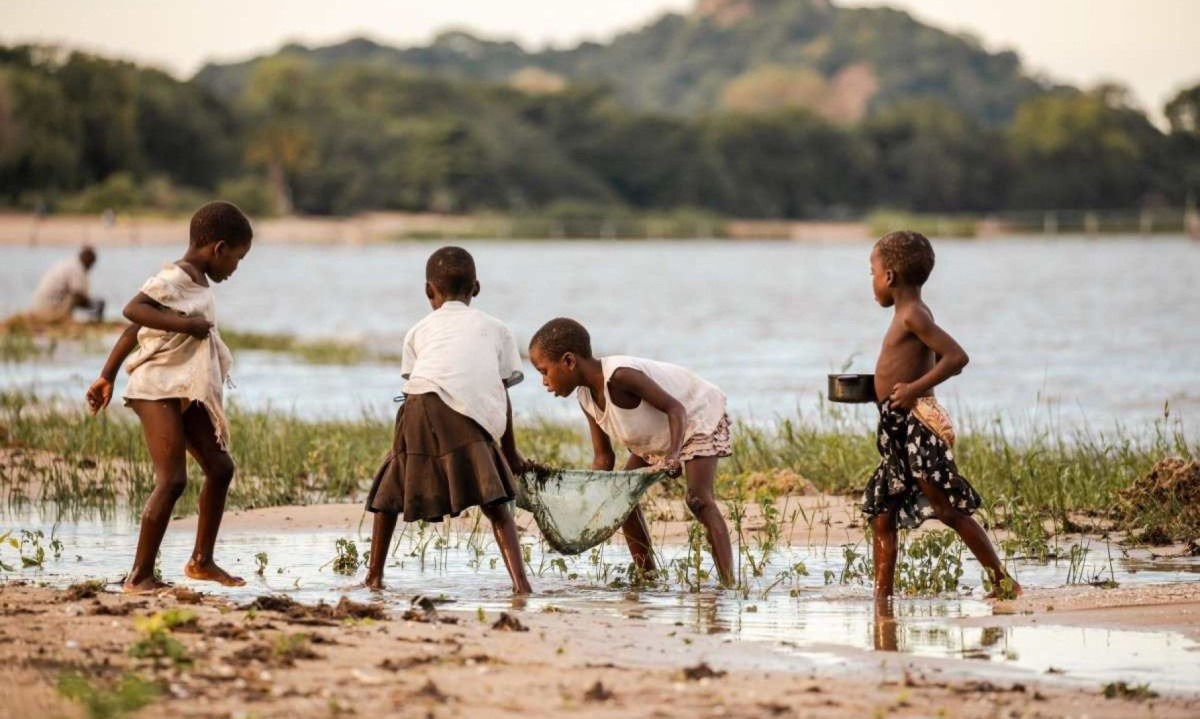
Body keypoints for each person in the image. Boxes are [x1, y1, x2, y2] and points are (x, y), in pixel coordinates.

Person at [85, 201, 253, 593]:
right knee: (173, 479)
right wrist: (185, 324)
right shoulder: (176, 275)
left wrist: (106, 375)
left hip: (182, 387)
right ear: (218, 248)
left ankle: (202, 561)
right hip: (155, 387)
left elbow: (137, 330)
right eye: (238, 259)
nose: (236, 268)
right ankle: (140, 575)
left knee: (221, 467)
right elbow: (134, 310)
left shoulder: (196, 281)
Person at [862, 230, 1020, 609]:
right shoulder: (907, 314)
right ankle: (882, 598)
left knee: (947, 508)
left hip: (918, 426)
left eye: (872, 272)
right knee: (882, 512)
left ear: (889, 277)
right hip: (898, 427)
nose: (871, 281)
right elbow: (903, 368)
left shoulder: (913, 314)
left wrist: (914, 389)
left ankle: (1003, 581)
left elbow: (956, 358)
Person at [363, 246, 532, 595]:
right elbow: (502, 391)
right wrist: (510, 451)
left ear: (429, 291)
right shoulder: (497, 329)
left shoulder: (418, 330)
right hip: (464, 412)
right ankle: (521, 584)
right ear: (477, 287)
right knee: (496, 503)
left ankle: (374, 576)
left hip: (417, 405)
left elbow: (416, 381)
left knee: (391, 490)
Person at [528, 318, 736, 588]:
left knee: (699, 500)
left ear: (569, 361)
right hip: (656, 435)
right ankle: (648, 578)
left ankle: (729, 586)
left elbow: (676, 409)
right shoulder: (585, 397)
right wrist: (590, 498)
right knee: (622, 500)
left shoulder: (620, 376)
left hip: (695, 417)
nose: (544, 382)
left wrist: (674, 455)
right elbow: (604, 458)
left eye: (545, 371)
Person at [29, 245, 105, 323]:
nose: (91, 267)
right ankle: (60, 319)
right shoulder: (76, 269)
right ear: (88, 260)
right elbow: (78, 296)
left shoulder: (69, 263)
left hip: (40, 306)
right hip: (48, 309)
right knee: (76, 297)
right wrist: (94, 305)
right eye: (91, 263)